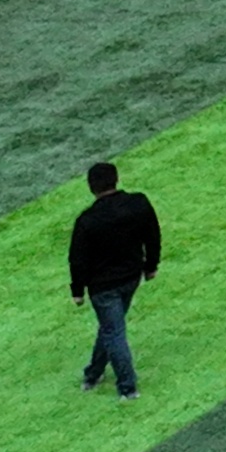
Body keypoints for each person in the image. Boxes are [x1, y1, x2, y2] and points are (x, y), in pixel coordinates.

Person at [68, 159, 158, 396]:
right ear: (116, 179)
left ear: (91, 187)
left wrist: (77, 291)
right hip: (131, 277)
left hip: (102, 287)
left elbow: (77, 259)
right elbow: (152, 235)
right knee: (110, 328)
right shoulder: (138, 203)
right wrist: (151, 265)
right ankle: (93, 373)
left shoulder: (87, 220)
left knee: (113, 331)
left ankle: (127, 387)